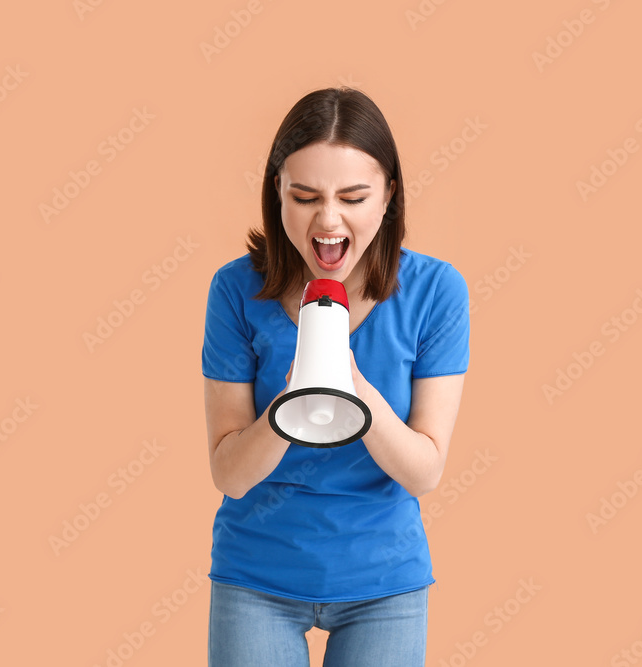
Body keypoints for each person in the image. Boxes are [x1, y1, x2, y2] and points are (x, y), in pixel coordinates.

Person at [202, 87, 470, 666]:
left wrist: (354, 391)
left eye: (353, 196)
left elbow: (425, 470)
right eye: (304, 197)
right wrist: (292, 403)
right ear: (277, 193)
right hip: (257, 579)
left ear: (389, 195)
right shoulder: (234, 290)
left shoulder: (435, 292)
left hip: (384, 585)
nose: (328, 220)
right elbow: (230, 473)